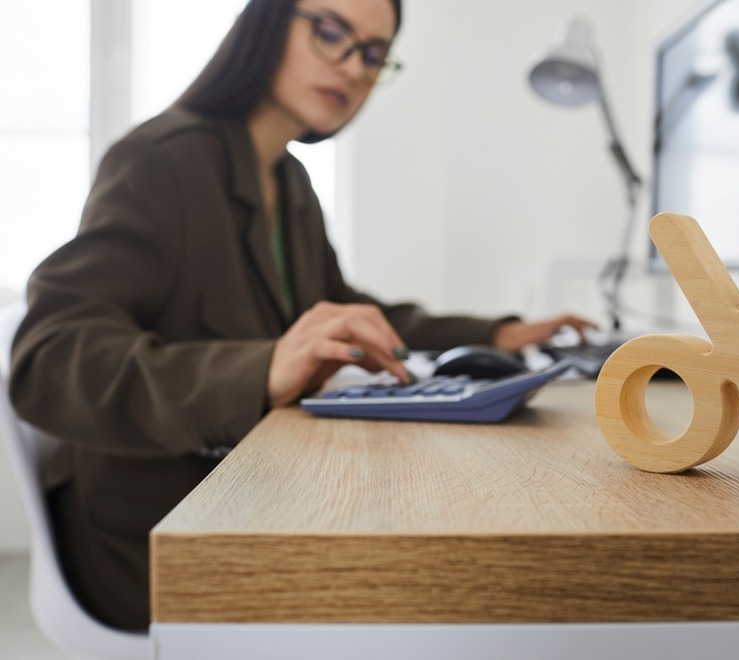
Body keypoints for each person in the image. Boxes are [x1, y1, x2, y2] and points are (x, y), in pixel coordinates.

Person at [8, 0, 591, 631]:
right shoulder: (161, 161)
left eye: (373, 53)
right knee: (439, 594)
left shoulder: (290, 184)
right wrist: (260, 369)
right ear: (266, 22)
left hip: (245, 496)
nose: (351, 67)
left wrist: (493, 334)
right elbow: (49, 360)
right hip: (155, 534)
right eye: (332, 31)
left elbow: (347, 312)